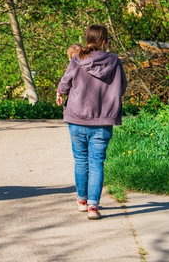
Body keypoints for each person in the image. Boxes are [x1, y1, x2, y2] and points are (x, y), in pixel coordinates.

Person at [56, 25, 127, 220]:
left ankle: (82, 200)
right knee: (97, 163)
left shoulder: (78, 60)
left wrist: (60, 92)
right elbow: (122, 86)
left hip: (77, 117)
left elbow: (65, 81)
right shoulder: (114, 61)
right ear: (104, 42)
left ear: (87, 39)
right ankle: (93, 207)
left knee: (81, 160)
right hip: (104, 120)